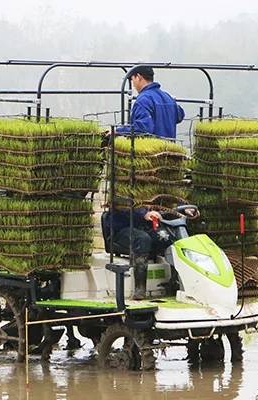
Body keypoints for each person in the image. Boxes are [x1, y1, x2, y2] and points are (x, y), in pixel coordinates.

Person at [107, 66, 190, 300]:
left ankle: (141, 290)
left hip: (147, 165)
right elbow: (180, 114)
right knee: (163, 213)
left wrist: (117, 132)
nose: (133, 83)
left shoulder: (143, 100)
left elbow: (143, 129)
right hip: (167, 164)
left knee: (143, 205)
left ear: (138, 77)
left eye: (133, 79)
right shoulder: (167, 98)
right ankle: (175, 283)